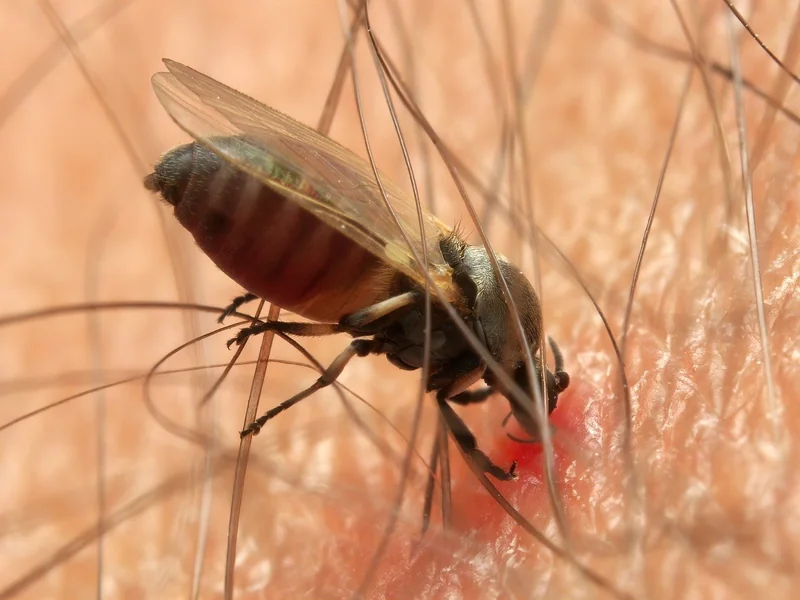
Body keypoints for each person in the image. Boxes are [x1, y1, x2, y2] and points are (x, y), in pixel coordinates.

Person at [1, 1, 797, 597]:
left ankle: (468, 456)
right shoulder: (439, 294)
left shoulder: (450, 309)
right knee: (375, 311)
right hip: (274, 220)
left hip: (312, 263)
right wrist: (304, 379)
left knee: (379, 317)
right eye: (512, 373)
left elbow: (398, 352)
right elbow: (364, 329)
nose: (499, 387)